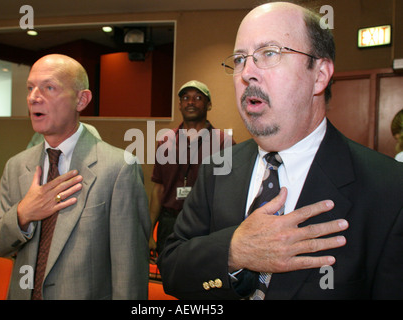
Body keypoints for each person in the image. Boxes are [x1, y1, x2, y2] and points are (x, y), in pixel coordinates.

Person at [158, 2, 403, 299]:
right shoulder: (218, 168)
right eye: (239, 59)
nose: (247, 72)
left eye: (269, 53)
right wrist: (233, 251)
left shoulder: (390, 189)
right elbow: (171, 269)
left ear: (320, 74)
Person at [0, 54, 150, 300]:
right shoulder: (16, 166)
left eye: (49, 87)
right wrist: (22, 214)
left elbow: (129, 272)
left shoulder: (119, 168)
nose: (33, 97)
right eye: (30, 88)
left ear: (81, 100)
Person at [149, 80, 233, 257]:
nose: (191, 102)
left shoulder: (224, 143)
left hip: (206, 224)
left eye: (198, 98)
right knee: (170, 279)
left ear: (208, 104)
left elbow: (229, 193)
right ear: (180, 105)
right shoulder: (165, 141)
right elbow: (159, 189)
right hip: (170, 222)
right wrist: (149, 231)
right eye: (186, 98)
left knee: (201, 280)